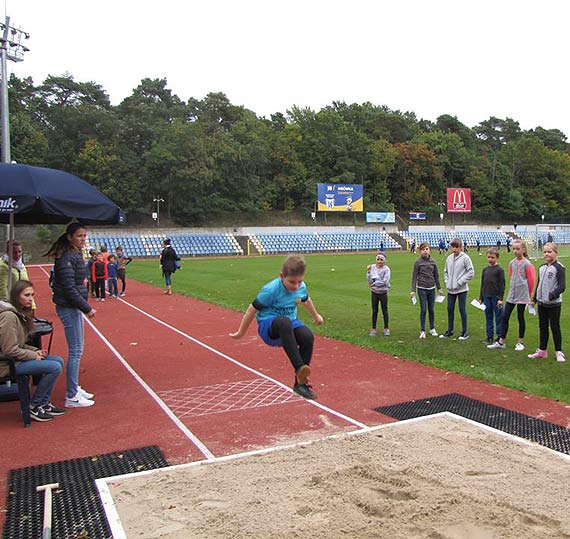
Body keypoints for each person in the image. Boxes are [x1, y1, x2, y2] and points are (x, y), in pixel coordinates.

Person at [229, 254, 323, 400]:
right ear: (281, 276)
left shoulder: (301, 287)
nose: (296, 286)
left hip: (289, 324)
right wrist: (241, 332)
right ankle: (300, 368)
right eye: (292, 282)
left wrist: (316, 315)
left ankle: (300, 385)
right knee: (284, 322)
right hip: (269, 327)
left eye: (300, 281)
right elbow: (252, 309)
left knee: (307, 335)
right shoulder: (271, 290)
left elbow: (305, 299)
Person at [45, 222, 96, 408]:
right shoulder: (66, 256)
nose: (83, 239)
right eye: (79, 236)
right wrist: (87, 308)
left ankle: (74, 387)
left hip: (73, 306)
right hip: (69, 306)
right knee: (75, 351)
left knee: (78, 348)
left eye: (84, 236)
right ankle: (71, 395)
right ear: (70, 237)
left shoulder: (73, 254)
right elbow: (69, 288)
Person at [0, 280, 64, 422]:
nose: (30, 298)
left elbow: (19, 343)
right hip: (6, 364)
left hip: (15, 359)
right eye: (27, 295)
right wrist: (33, 355)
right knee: (54, 367)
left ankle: (43, 403)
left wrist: (36, 351)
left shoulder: (18, 313)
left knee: (58, 360)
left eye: (32, 295)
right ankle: (34, 406)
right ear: (17, 296)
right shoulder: (9, 317)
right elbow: (9, 349)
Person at [488, 239, 535, 351]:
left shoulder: (527, 264)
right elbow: (511, 276)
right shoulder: (511, 263)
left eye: (518, 249)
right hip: (512, 294)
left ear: (523, 250)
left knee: (520, 317)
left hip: (522, 294)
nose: (515, 251)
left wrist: (529, 295)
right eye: (514, 248)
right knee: (505, 317)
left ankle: (520, 342)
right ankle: (501, 341)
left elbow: (531, 280)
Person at [528, 243, 566, 362]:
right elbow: (539, 284)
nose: (547, 254)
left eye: (549, 252)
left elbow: (562, 286)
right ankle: (542, 350)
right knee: (542, 327)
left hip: (554, 304)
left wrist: (552, 295)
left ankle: (558, 351)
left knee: (555, 327)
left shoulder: (559, 268)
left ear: (556, 253)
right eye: (545, 252)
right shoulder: (542, 267)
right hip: (542, 303)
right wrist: (534, 299)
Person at [440, 238, 474, 340]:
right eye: (453, 247)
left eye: (457, 247)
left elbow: (471, 272)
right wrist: (447, 281)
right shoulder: (449, 258)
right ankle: (450, 330)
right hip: (450, 289)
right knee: (450, 309)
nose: (454, 249)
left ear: (461, 247)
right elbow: (445, 271)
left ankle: (465, 332)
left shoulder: (465, 258)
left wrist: (460, 282)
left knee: (462, 309)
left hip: (461, 289)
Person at [411, 242, 443, 339]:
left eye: (427, 249)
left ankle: (432, 328)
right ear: (420, 251)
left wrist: (439, 288)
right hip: (422, 288)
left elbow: (436, 276)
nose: (425, 251)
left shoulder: (433, 262)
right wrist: (413, 290)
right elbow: (414, 277)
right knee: (423, 309)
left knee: (431, 310)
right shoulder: (418, 262)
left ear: (429, 250)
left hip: (431, 288)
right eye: (423, 249)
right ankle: (422, 330)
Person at [478, 247, 505, 344]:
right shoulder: (485, 269)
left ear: (497, 257)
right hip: (486, 297)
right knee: (488, 316)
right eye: (488, 257)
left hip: (495, 297)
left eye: (492, 257)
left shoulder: (499, 270)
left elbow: (502, 285)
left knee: (498, 317)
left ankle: (499, 336)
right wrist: (481, 297)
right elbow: (483, 284)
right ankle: (489, 336)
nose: (490, 259)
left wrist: (500, 298)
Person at [367, 253, 391, 337]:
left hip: (383, 293)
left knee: (385, 311)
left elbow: (385, 282)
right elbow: (370, 281)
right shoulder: (373, 267)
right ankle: (373, 328)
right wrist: (369, 272)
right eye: (378, 259)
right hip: (374, 293)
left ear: (384, 260)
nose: (379, 261)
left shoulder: (386, 269)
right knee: (374, 311)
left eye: (381, 259)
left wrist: (374, 283)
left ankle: (386, 328)